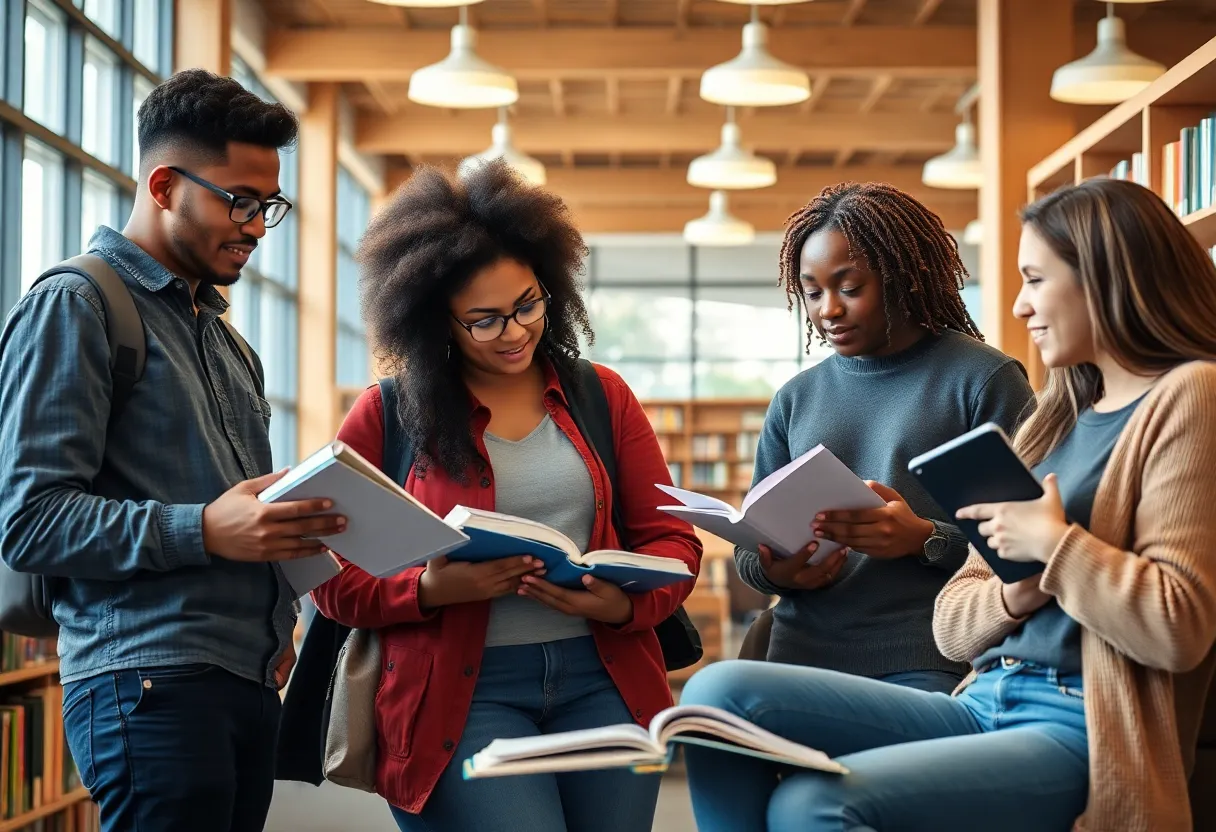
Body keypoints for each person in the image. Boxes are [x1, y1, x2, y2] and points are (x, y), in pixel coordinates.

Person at [679, 177, 1216, 831]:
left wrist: (1040, 548)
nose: (1018, 307)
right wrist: (1019, 588)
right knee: (709, 696)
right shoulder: (1061, 415)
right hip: (982, 686)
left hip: (1066, 705)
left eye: (1036, 280)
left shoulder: (1183, 395)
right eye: (813, 292)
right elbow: (960, 618)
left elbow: (1176, 625)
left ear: (1106, 279)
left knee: (811, 804)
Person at [310, 161, 703, 832]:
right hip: (457, 696)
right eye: (484, 320)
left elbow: (673, 540)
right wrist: (427, 591)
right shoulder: (387, 416)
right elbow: (330, 578)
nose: (517, 331)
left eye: (528, 304)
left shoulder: (601, 396)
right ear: (437, 323)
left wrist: (623, 603)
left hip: (603, 680)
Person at [0, 69, 342, 832]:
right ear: (162, 185)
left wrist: (276, 617)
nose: (256, 226)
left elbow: (241, 514)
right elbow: (30, 522)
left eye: (269, 206)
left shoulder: (227, 344)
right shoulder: (76, 304)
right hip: (145, 681)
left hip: (243, 678)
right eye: (239, 201)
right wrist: (204, 528)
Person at [735, 182, 1035, 692]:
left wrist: (924, 539)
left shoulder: (980, 381)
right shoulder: (795, 399)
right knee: (705, 725)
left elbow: (1029, 547)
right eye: (812, 292)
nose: (828, 309)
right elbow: (749, 550)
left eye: (849, 288)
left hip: (930, 656)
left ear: (901, 278)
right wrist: (777, 573)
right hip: (798, 652)